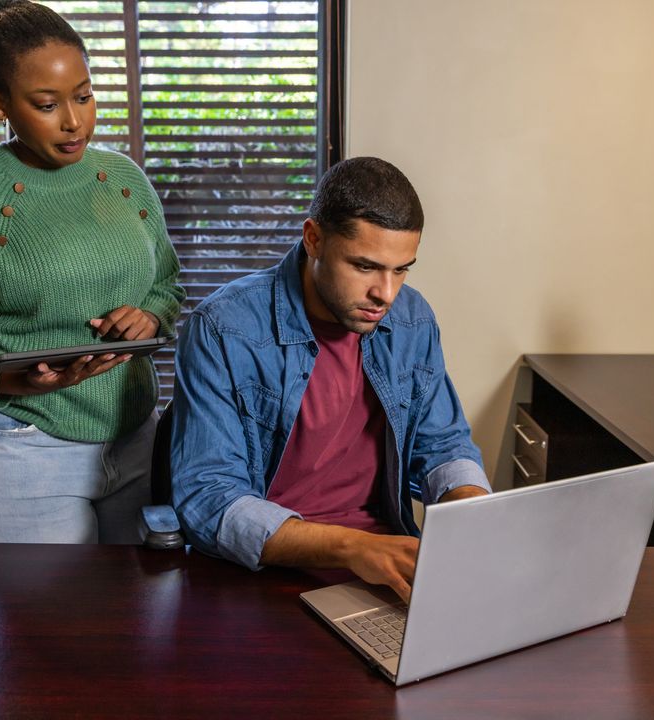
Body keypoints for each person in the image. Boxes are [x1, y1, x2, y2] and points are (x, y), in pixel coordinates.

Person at [0, 0, 185, 544]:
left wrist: (149, 315)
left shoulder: (124, 179)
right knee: (37, 628)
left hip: (134, 436)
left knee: (135, 618)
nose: (74, 121)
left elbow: (165, 282)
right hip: (18, 447)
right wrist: (15, 377)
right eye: (47, 104)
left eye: (84, 95)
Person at [170, 157, 490, 601]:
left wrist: (473, 507)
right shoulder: (224, 327)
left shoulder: (413, 319)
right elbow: (209, 500)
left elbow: (442, 445)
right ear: (314, 238)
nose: (386, 294)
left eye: (401, 269)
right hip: (263, 572)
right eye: (364, 267)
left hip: (383, 568)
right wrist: (352, 546)